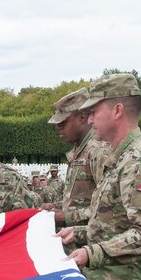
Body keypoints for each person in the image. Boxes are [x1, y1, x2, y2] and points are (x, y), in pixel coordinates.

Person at [57, 74, 141, 280]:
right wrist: (79, 233)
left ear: (117, 110)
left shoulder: (139, 163)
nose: (88, 120)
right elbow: (115, 223)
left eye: (93, 112)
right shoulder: (121, 158)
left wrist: (92, 253)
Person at [43, 87, 109, 228]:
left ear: (82, 118)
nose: (58, 127)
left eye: (63, 122)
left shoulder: (98, 152)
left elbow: (109, 209)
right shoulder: (79, 152)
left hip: (90, 244)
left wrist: (65, 217)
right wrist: (55, 206)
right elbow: (80, 202)